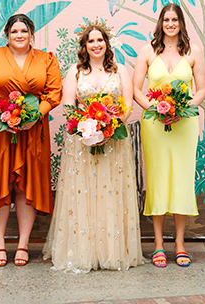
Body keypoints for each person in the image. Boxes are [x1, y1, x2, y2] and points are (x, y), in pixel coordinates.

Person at [43, 23, 143, 272]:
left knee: (111, 193)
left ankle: (112, 251)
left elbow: (128, 104)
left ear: (107, 44)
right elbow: (68, 105)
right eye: (91, 41)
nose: (96, 45)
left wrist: (110, 126)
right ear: (84, 46)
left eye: (100, 40)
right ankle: (83, 252)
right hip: (82, 143)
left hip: (114, 143)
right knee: (84, 194)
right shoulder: (75, 72)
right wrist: (86, 128)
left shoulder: (120, 70)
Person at [0, 13, 62, 267]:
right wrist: (1, 117)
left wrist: (36, 116)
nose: (19, 35)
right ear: (7, 35)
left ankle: (23, 243)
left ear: (32, 34)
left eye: (24, 31)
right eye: (14, 32)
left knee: (26, 185)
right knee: (0, 182)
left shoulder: (46, 59)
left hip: (33, 130)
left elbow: (54, 92)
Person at [133, 3, 205, 268]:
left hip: (184, 126)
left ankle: (180, 243)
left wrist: (182, 109)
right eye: (166, 19)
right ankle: (158, 244)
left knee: (182, 180)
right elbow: (137, 90)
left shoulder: (194, 52)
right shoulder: (148, 52)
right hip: (155, 126)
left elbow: (201, 90)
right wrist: (157, 109)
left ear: (181, 23)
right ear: (160, 23)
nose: (171, 24)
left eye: (175, 19)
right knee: (158, 179)